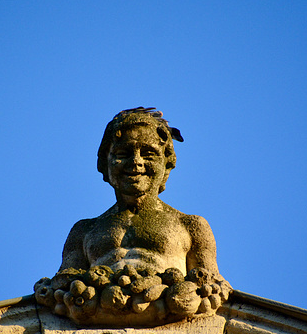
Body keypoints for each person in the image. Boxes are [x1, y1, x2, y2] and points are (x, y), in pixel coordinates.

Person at [58, 107, 222, 280]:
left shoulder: (191, 227)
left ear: (166, 164)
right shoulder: (84, 231)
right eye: (123, 153)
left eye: (148, 154)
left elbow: (210, 288)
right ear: (104, 163)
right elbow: (63, 288)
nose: (136, 161)